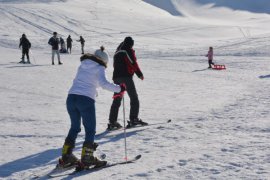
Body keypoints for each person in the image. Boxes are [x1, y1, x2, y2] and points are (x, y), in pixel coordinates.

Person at [60, 46, 126, 168]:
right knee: (90, 130)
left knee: (74, 127)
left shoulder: (83, 64)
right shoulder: (99, 67)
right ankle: (87, 158)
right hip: (85, 100)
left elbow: (88, 81)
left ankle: (66, 156)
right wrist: (119, 88)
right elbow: (103, 84)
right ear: (104, 61)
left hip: (71, 98)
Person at [107, 36, 147, 130]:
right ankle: (134, 119)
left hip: (116, 78)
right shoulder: (127, 50)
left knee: (117, 99)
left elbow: (114, 65)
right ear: (130, 43)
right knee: (134, 98)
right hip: (126, 78)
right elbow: (133, 62)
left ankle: (112, 122)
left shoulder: (117, 52)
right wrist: (139, 74)